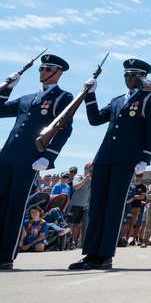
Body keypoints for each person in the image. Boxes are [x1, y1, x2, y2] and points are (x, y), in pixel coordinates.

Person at [69, 58, 151, 270]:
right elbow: (95, 119)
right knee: (96, 206)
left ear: (142, 77)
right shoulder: (117, 100)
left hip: (127, 159)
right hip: (104, 157)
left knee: (113, 207)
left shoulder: (150, 98)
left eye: (133, 75)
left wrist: (145, 158)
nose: (128, 78)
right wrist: (89, 94)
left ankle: (104, 255)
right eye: (126, 75)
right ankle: (90, 253)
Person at [1, 54, 75, 270]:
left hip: (30, 160)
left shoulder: (63, 97)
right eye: (41, 69)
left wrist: (48, 156)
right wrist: (7, 87)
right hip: (7, 157)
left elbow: (64, 129)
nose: (42, 72)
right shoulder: (27, 98)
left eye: (48, 69)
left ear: (58, 72)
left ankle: (6, 255)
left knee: (16, 207)